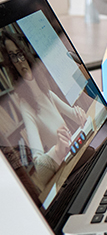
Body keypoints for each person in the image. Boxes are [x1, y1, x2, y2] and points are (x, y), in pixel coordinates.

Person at [0, 31, 87, 190]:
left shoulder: (45, 92)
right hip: (66, 173)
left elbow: (74, 115)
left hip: (77, 158)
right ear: (11, 65)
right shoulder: (25, 106)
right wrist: (57, 150)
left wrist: (79, 113)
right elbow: (39, 167)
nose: (20, 61)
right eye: (13, 57)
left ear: (25, 55)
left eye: (19, 54)